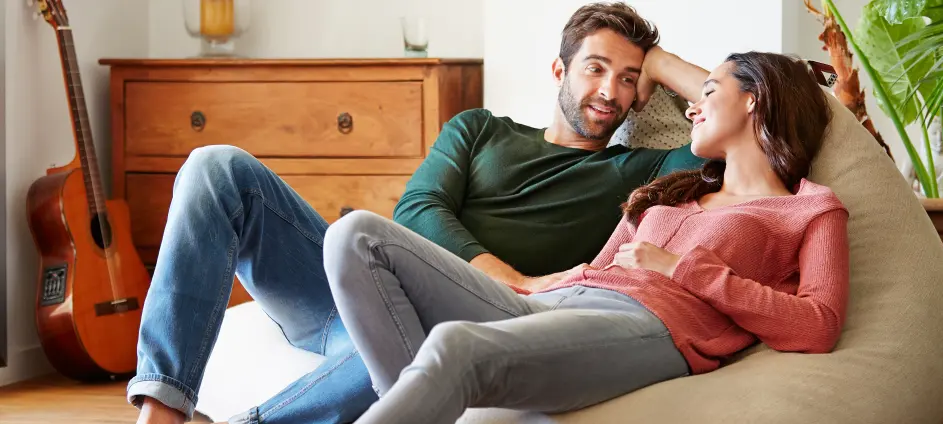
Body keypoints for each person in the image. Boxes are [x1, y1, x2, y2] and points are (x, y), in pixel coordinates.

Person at [132, 3, 709, 424]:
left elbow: (738, 121)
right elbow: (416, 210)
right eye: (596, 67)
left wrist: (659, 60)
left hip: (433, 317)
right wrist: (513, 278)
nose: (609, 90)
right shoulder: (480, 128)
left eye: (628, 80)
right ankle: (161, 408)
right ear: (559, 71)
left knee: (420, 337)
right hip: (340, 281)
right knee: (216, 166)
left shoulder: (641, 172)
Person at [325, 51, 850, 423]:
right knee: (356, 235)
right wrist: (537, 286)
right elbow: (601, 267)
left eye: (708, 93)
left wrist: (683, 269)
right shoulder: (668, 190)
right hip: (562, 303)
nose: (693, 106)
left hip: (653, 327)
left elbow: (818, 325)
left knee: (455, 345)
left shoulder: (808, 208)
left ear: (754, 100)